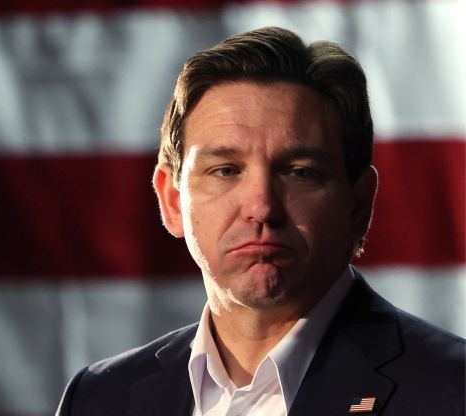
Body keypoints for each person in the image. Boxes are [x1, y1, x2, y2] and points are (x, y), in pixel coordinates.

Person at [56, 26, 465, 416]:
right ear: (172, 200)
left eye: (300, 171)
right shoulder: (99, 399)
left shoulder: (453, 390)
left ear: (359, 205)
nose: (263, 207)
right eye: (227, 170)